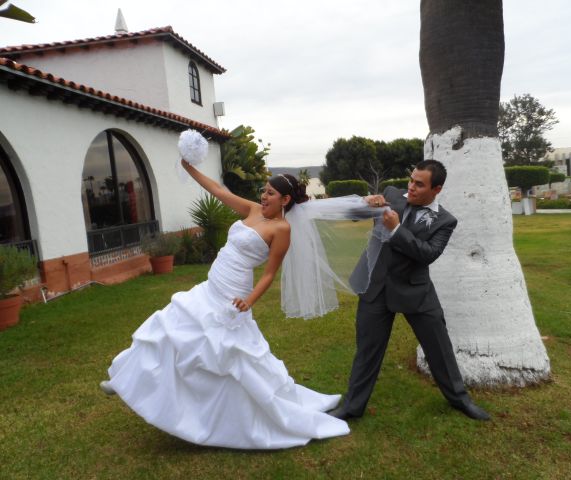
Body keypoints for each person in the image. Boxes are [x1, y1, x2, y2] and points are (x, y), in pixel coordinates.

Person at [99, 160, 349, 449]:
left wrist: (249, 300)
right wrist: (189, 167)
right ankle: (122, 377)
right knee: (166, 325)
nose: (263, 197)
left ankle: (220, 416)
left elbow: (269, 273)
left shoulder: (282, 229)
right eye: (263, 191)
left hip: (233, 295)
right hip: (211, 285)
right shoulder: (253, 210)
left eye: (269, 193)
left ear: (286, 200)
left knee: (226, 354)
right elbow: (217, 189)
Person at [329, 159, 491, 422]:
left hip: (415, 291)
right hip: (376, 288)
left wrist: (396, 230)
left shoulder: (445, 220)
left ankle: (460, 400)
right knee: (367, 349)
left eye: (419, 184)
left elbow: (427, 254)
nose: (411, 187)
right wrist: (364, 203)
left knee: (439, 347)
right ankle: (352, 406)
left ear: (436, 189)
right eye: (411, 180)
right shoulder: (391, 195)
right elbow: (352, 216)